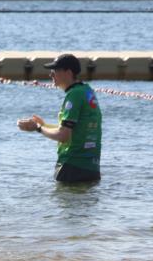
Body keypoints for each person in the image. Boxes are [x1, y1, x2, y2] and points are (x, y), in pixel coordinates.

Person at [17, 53, 102, 183]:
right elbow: (74, 129)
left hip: (72, 168)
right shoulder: (87, 91)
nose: (51, 75)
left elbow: (63, 135)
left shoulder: (74, 95)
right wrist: (44, 125)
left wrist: (38, 128)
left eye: (55, 71)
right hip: (92, 169)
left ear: (68, 72)